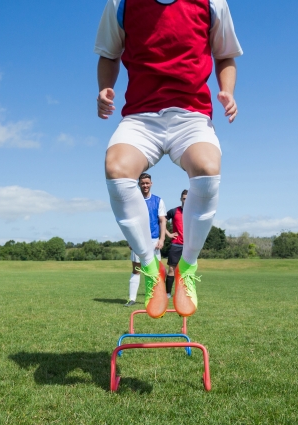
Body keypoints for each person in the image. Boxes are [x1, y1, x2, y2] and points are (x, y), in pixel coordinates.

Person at [95, 0, 242, 318]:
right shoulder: (121, 3)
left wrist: (227, 90)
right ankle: (151, 269)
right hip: (140, 117)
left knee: (207, 167)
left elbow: (225, 54)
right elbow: (109, 54)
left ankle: (187, 267)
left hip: (191, 115)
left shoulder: (212, 3)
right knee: (116, 168)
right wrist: (106, 88)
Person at [125, 173, 168, 306]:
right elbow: (129, 222)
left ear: (151, 183)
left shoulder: (158, 201)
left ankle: (156, 297)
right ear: (139, 184)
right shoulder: (133, 200)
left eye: (147, 183)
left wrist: (162, 239)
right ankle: (132, 299)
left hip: (154, 240)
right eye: (142, 183)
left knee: (156, 270)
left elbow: (162, 221)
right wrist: (130, 240)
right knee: (136, 269)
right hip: (138, 240)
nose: (145, 185)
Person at [165, 189, 187, 297]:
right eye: (184, 199)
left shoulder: (194, 212)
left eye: (188, 199)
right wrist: (168, 234)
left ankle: (182, 292)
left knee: (185, 270)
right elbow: (161, 221)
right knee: (171, 269)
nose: (185, 201)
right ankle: (168, 293)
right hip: (176, 244)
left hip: (188, 247)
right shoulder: (174, 211)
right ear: (181, 199)